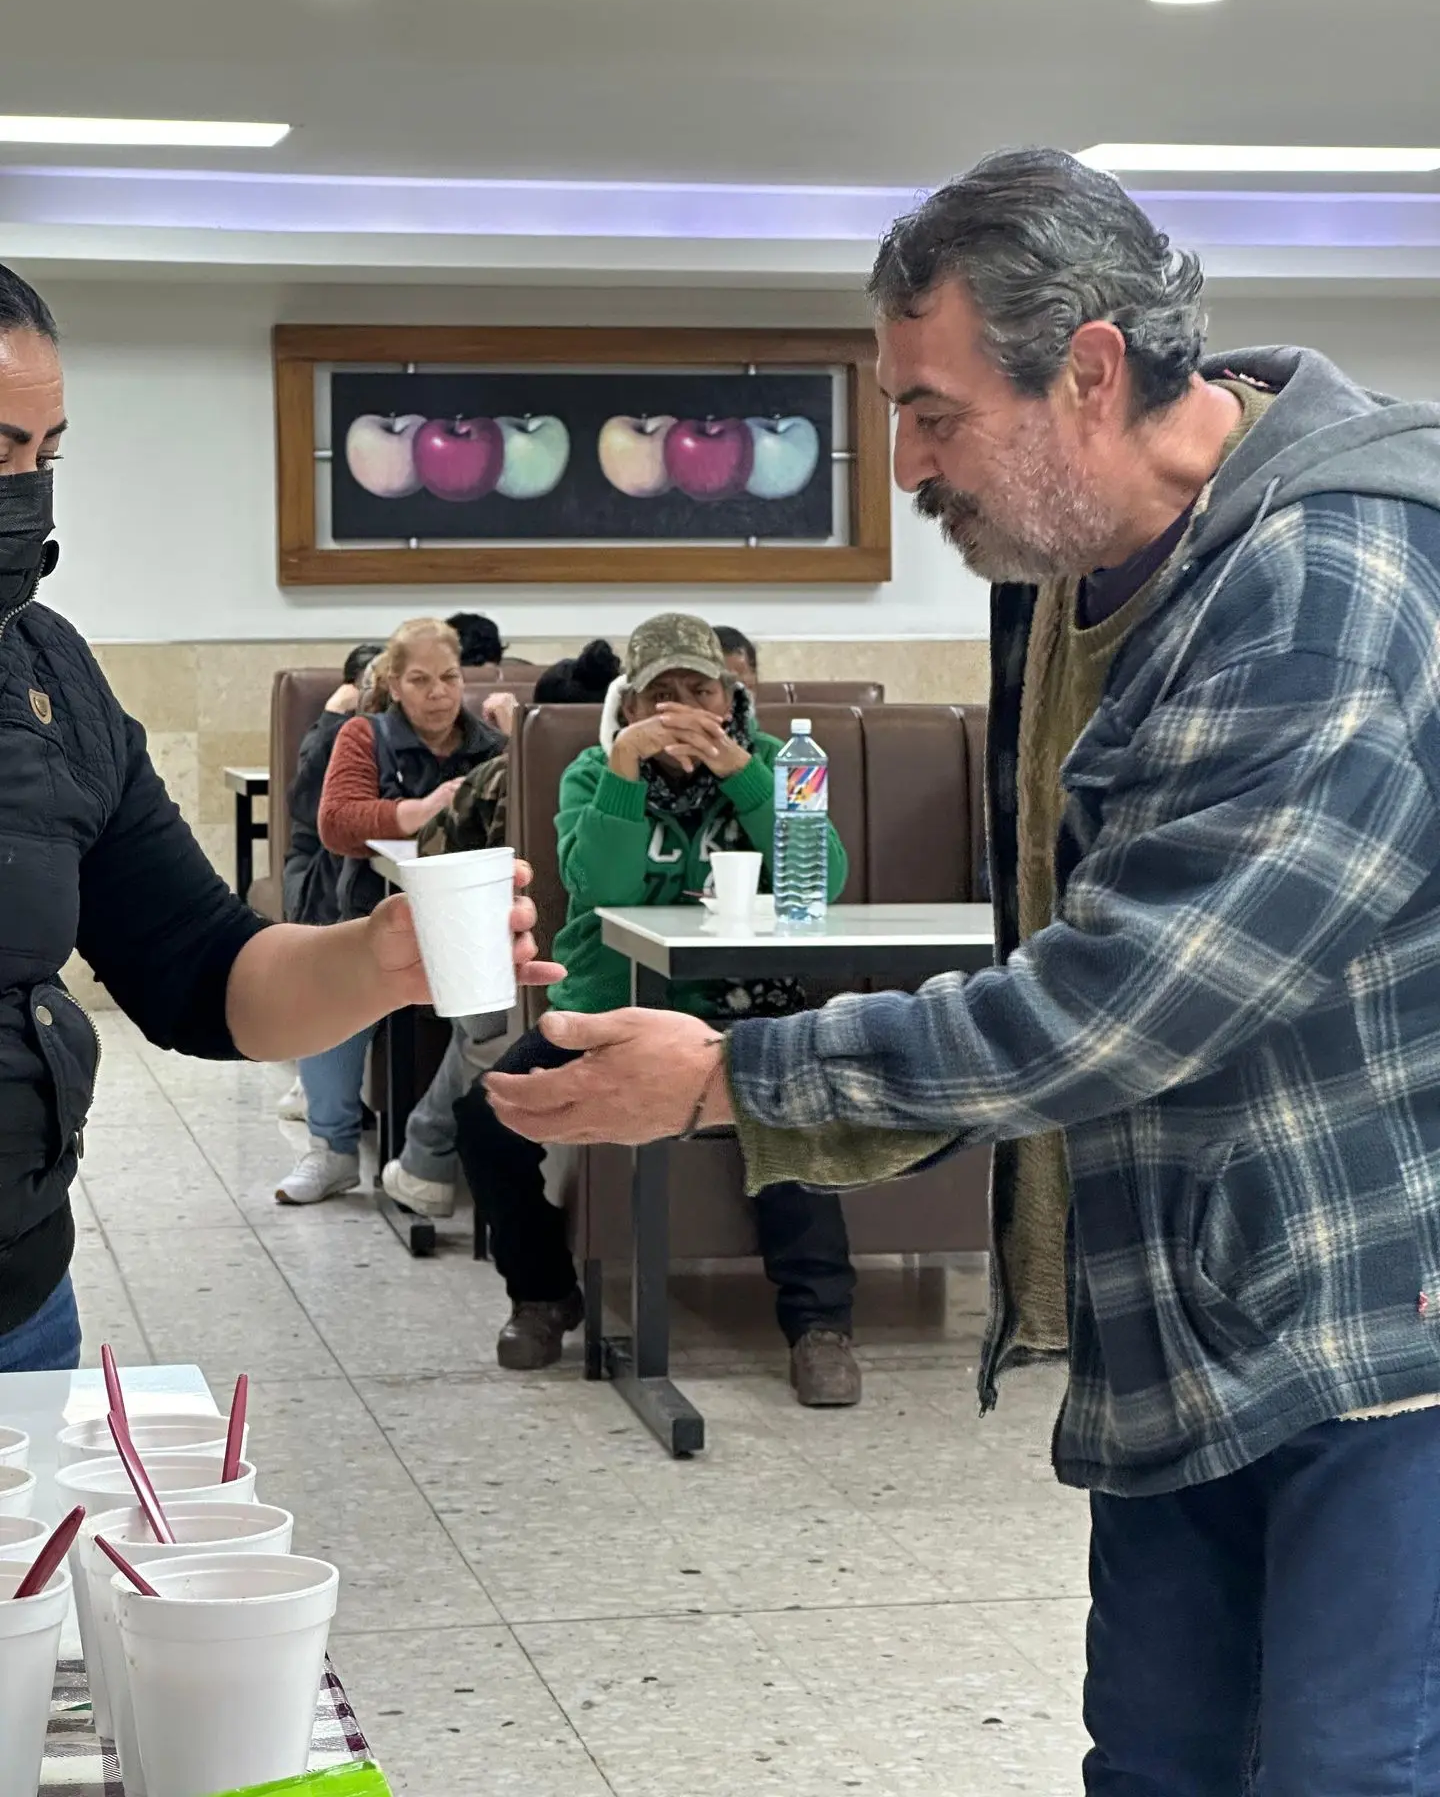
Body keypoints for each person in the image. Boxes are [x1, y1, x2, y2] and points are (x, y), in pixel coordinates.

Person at [487, 149, 1440, 1792]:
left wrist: (732, 1077)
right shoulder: (1079, 570)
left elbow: (1129, 993)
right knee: (1154, 1761)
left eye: (934, 414)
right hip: (1191, 1302)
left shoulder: (1327, 581)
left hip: (1372, 1324)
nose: (909, 465)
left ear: (1089, 369)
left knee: (1341, 1770)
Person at [0, 260, 554, 1373]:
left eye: (44, 458)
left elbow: (199, 966)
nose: (27, 493)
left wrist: (376, 960)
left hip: (19, 1300)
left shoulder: (48, 679)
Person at [460, 612, 862, 1405]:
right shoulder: (593, 772)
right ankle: (544, 1294)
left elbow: (825, 880)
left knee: (791, 1106)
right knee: (488, 1114)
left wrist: (741, 772)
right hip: (611, 1006)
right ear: (633, 705)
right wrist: (625, 768)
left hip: (743, 1009)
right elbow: (600, 888)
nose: (682, 709)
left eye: (700, 691)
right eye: (661, 694)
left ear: (729, 697)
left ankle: (820, 1326)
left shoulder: (776, 766)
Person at [378, 639, 626, 1218]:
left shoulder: (496, 777)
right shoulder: (673, 778)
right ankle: (430, 1155)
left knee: (485, 1014)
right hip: (611, 980)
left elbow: (434, 861)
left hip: (519, 976)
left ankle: (425, 1159)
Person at [272, 618, 507, 1206]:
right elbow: (336, 822)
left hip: (467, 921)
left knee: (492, 1016)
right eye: (421, 680)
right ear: (395, 685)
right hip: (371, 909)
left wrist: (517, 735)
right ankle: (332, 1150)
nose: (438, 693)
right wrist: (418, 810)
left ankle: (430, 1154)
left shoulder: (489, 744)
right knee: (330, 996)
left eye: (450, 678)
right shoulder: (364, 735)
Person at [272, 640, 385, 1122]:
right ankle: (319, 1084)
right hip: (320, 863)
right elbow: (308, 807)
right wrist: (334, 719)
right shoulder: (339, 727)